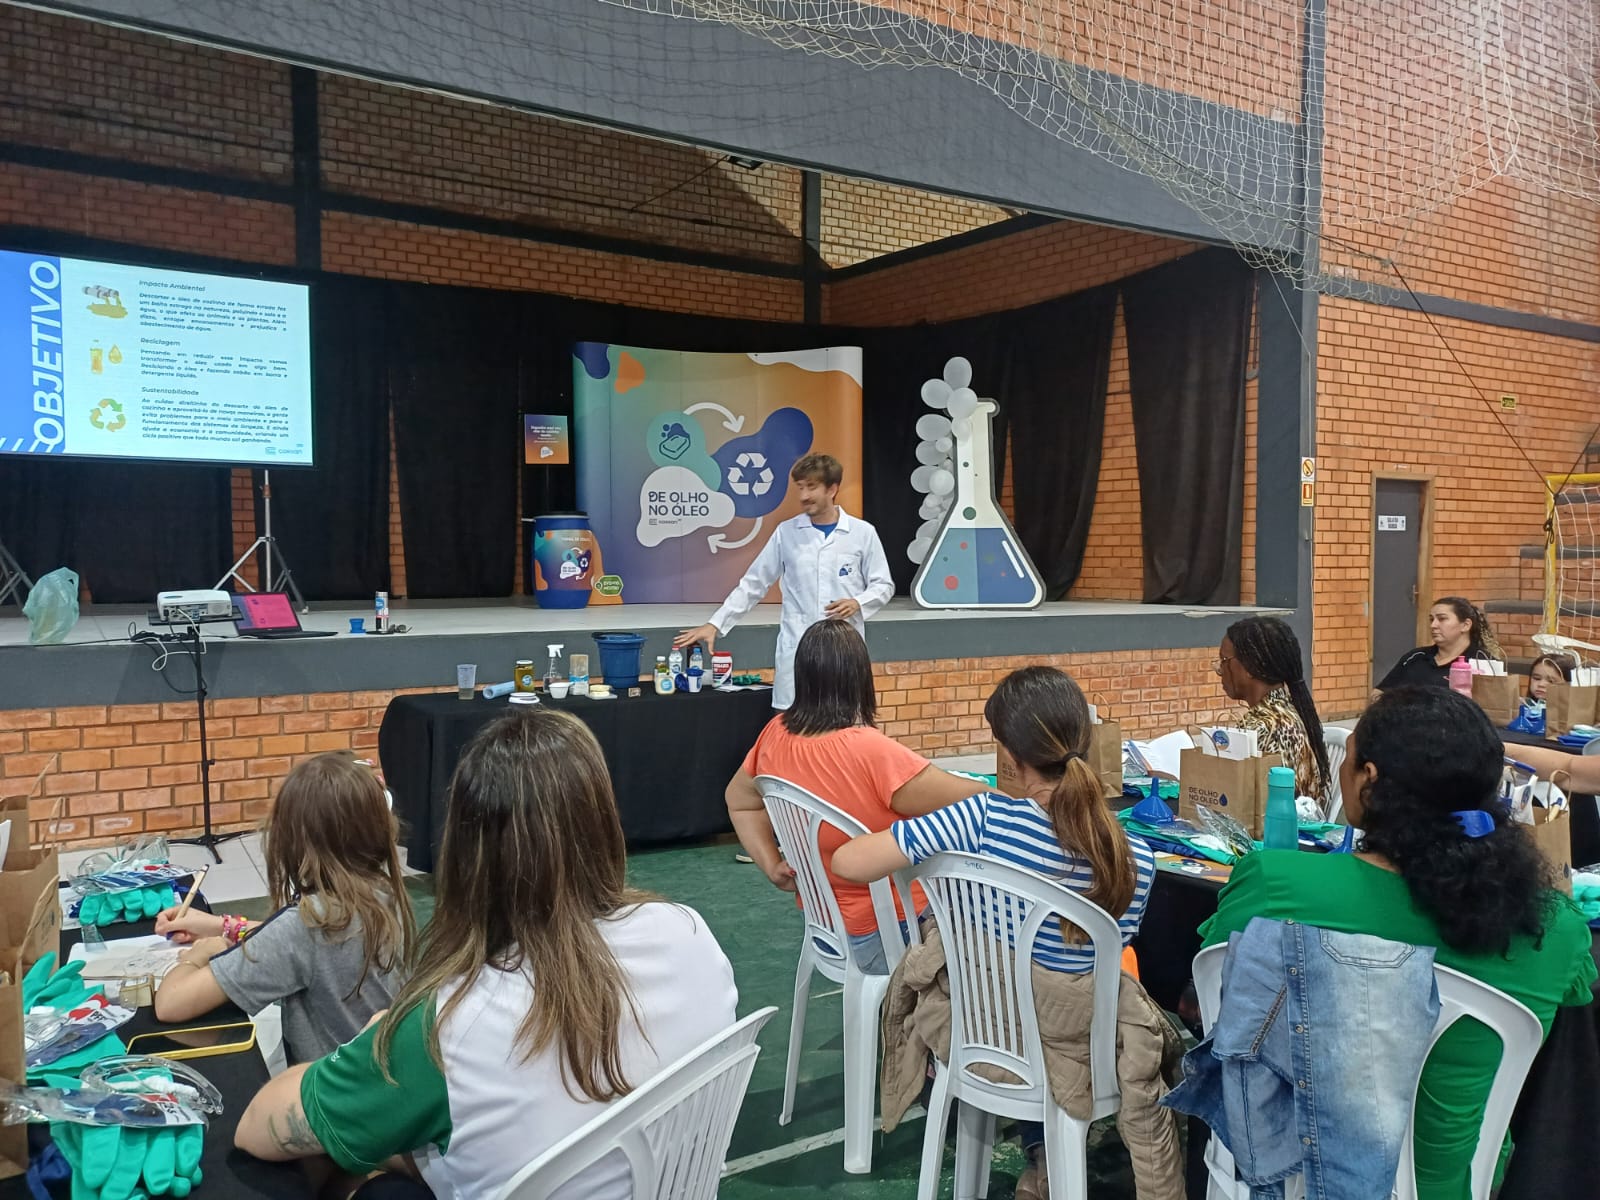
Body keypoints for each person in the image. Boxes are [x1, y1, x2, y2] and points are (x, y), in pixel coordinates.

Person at [235, 709, 738, 1199]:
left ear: (464, 853)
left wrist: (368, 1049)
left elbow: (257, 1128)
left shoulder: (445, 1027)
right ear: (602, 820)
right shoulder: (689, 932)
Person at [1204, 687, 1595, 1200]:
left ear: (1368, 780)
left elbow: (1209, 998)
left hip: (1288, 1176)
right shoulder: (1556, 929)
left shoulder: (1274, 882)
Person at [833, 667, 1169, 1200]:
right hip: (1075, 1043)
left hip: (980, 1030)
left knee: (975, 970)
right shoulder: (1136, 858)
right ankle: (1045, 1160)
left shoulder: (981, 817)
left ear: (1009, 757)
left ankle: (1012, 1148)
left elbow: (851, 862)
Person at [725, 619, 983, 973]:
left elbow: (739, 801)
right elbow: (977, 801)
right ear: (860, 678)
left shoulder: (774, 734)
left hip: (826, 926)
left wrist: (770, 864)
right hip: (894, 931)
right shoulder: (871, 752)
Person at [154, 753, 415, 1065]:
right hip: (377, 1076)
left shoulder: (305, 928)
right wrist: (220, 926)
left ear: (290, 839)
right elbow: (304, 947)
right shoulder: (380, 891)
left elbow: (170, 1004)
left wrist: (200, 954)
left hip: (325, 1098)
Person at [674, 452, 893, 709]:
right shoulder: (786, 533)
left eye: (812, 487)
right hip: (798, 643)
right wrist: (715, 624)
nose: (803, 496)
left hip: (843, 647)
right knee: (790, 720)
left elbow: (884, 585)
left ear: (832, 489)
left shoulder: (862, 533)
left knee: (842, 720)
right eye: (800, 488)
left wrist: (858, 602)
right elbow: (754, 583)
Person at [1217, 616, 1328, 802]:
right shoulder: (1285, 710)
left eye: (1224, 660)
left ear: (1249, 668)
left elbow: (1235, 801)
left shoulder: (1264, 727)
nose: (1219, 670)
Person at [1374, 596, 1503, 694]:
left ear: (1465, 625)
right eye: (1431, 619)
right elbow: (1379, 692)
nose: (1433, 625)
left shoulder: (1484, 663)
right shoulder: (1415, 657)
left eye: (1442, 619)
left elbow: (1494, 709)